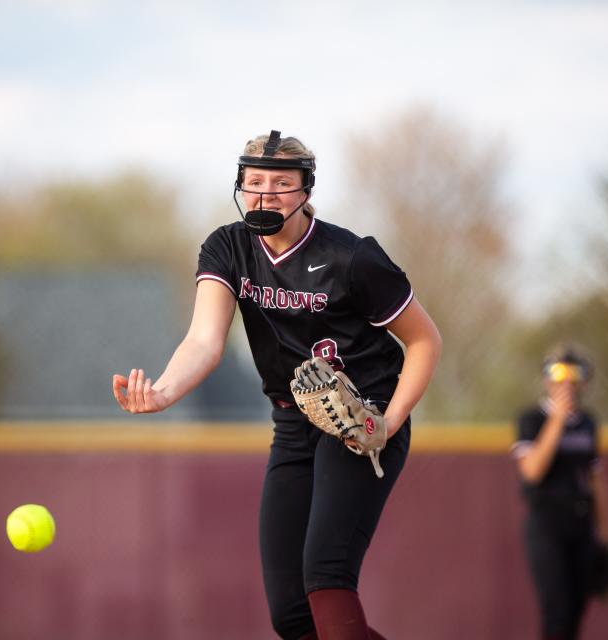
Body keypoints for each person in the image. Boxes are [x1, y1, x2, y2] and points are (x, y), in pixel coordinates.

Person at [113, 130, 441, 639]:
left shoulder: (352, 258)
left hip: (360, 422)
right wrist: (163, 392)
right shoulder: (228, 248)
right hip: (293, 422)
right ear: (240, 186)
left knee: (326, 577)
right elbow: (204, 341)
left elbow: (424, 341)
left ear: (306, 190)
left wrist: (388, 422)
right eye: (254, 181)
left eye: (281, 182)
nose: (265, 193)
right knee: (291, 614)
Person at [510, 346, 608, 640]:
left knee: (575, 614)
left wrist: (607, 539)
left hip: (581, 524)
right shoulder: (532, 420)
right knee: (556, 612)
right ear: (547, 379)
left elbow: (595, 480)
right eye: (559, 373)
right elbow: (532, 470)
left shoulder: (587, 423)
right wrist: (557, 419)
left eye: (575, 374)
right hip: (547, 525)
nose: (567, 382)